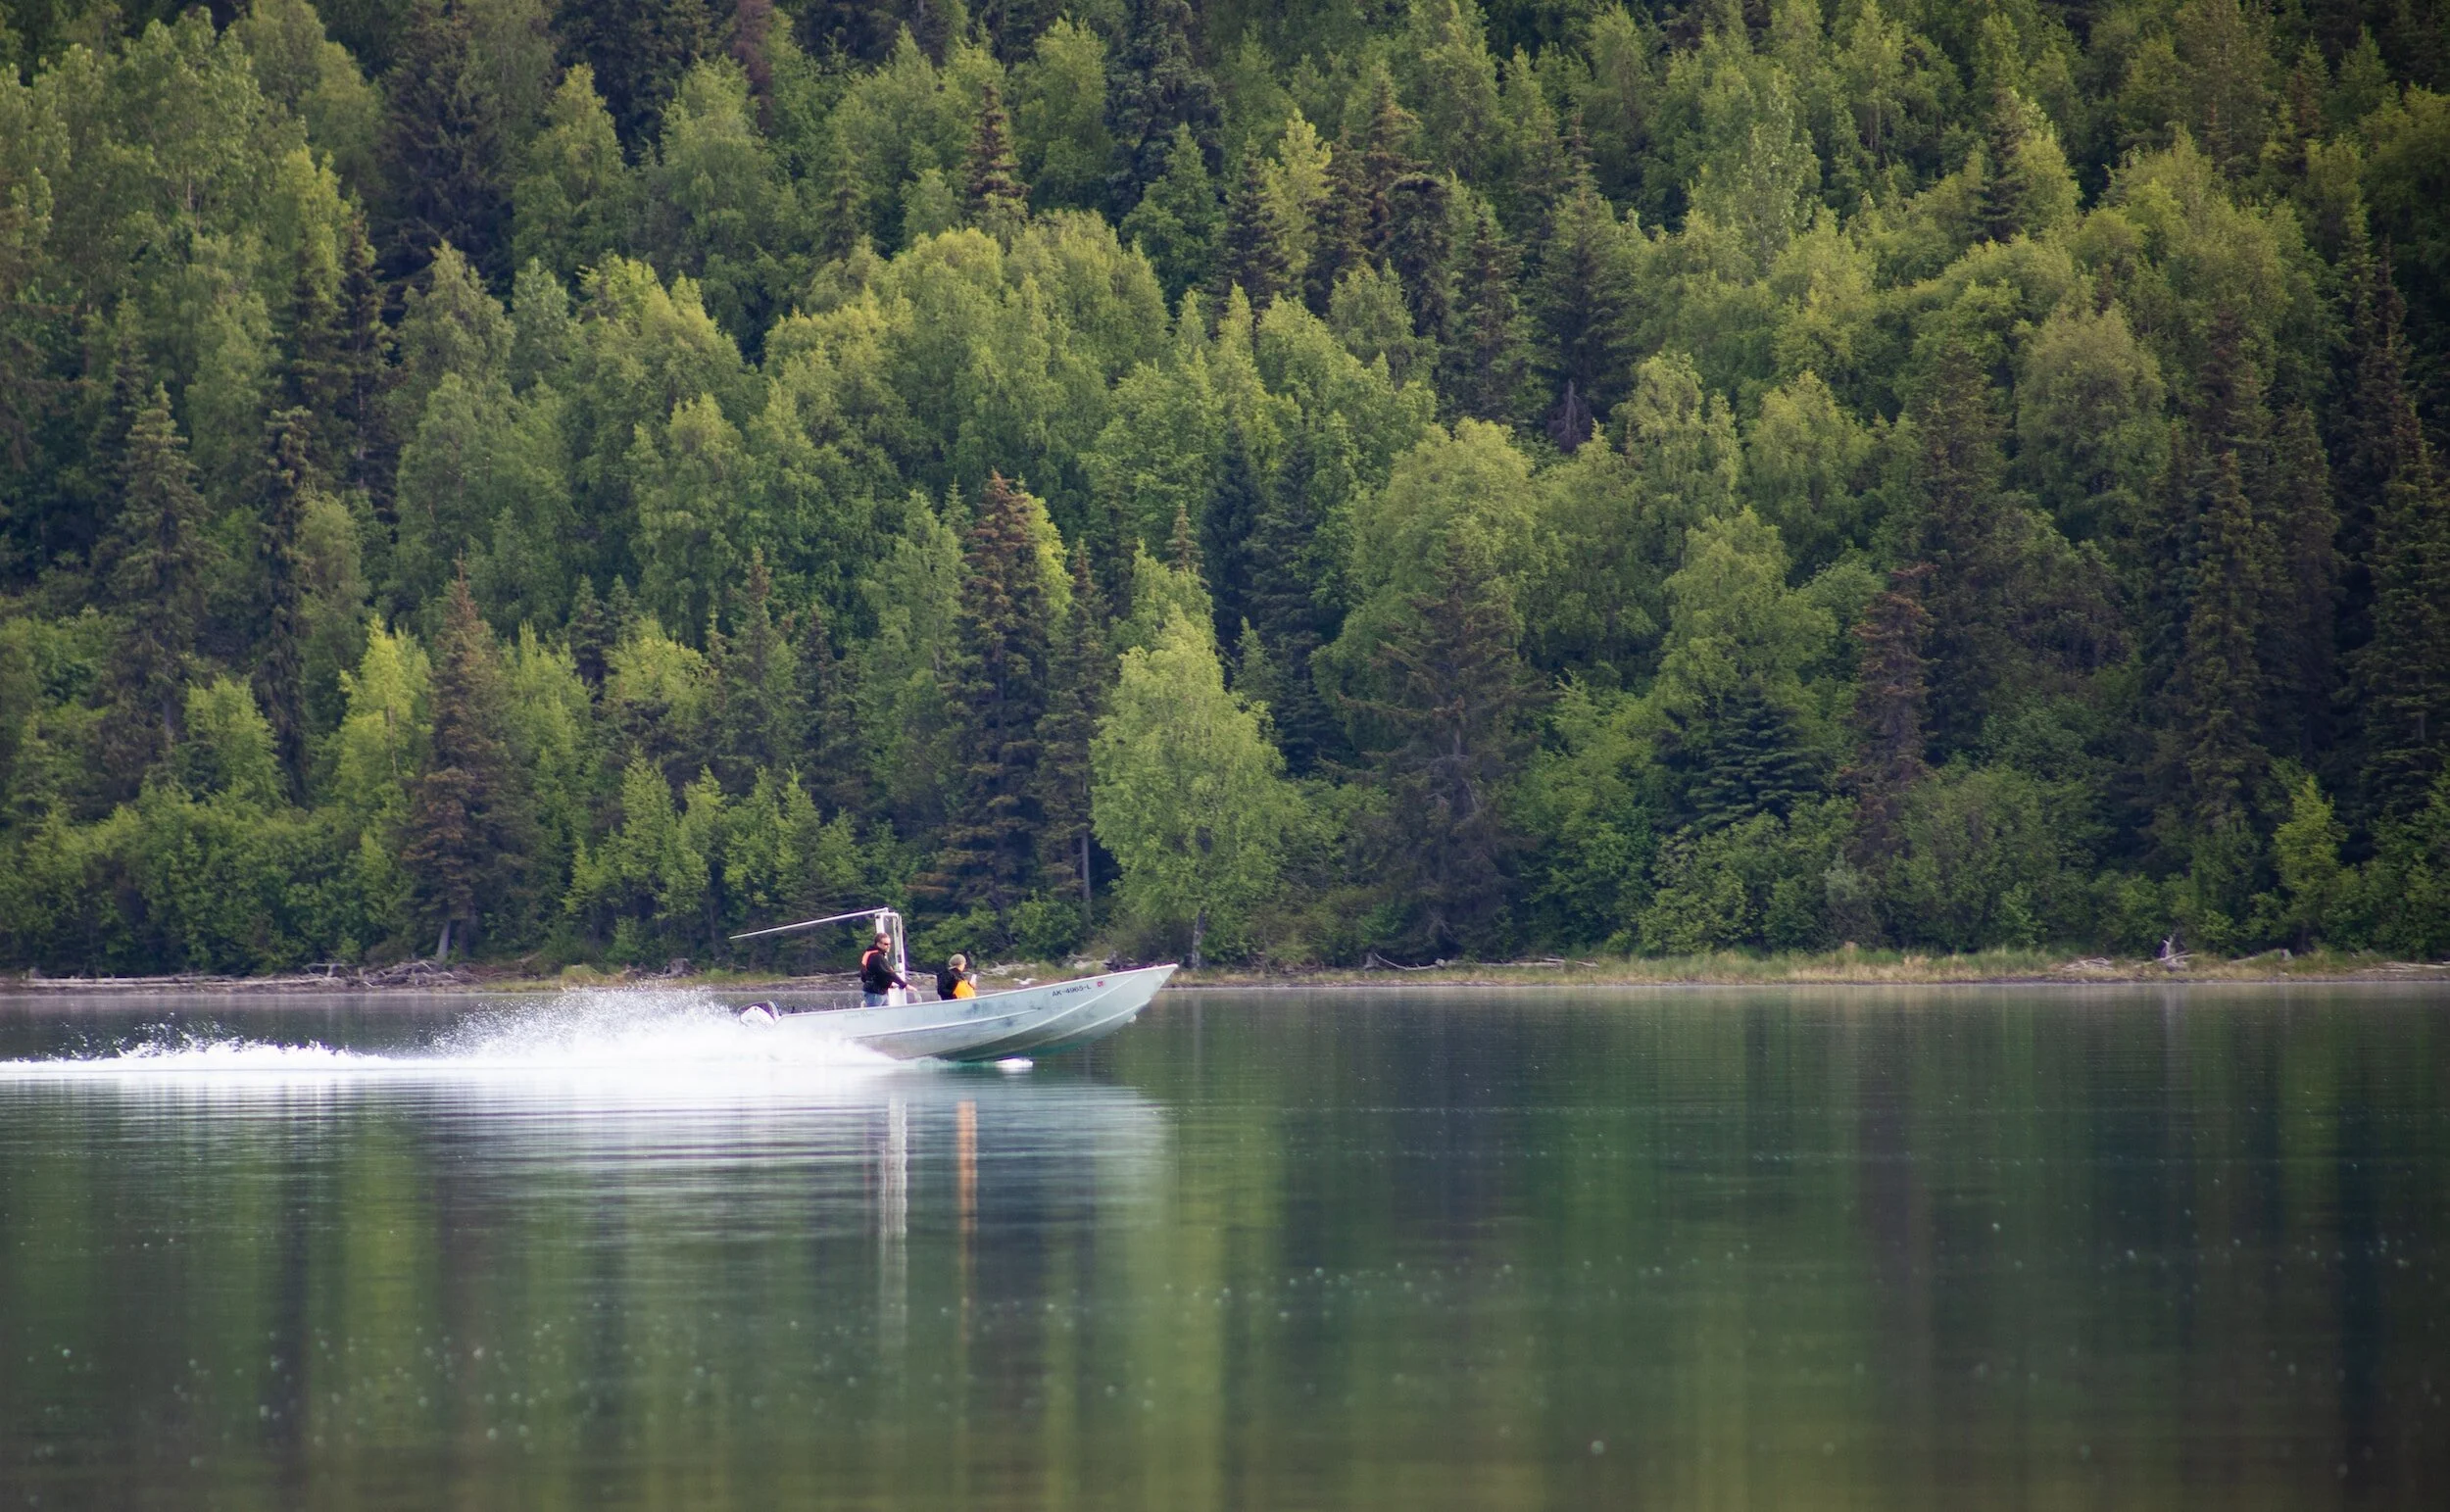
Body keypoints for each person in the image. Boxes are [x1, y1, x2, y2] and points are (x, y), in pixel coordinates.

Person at [858, 930, 906, 1005]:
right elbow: (888, 973)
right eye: (886, 944)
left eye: (889, 944)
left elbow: (880, 974)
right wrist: (904, 984)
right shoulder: (876, 957)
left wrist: (888, 985)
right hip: (874, 993)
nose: (888, 946)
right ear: (878, 944)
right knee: (875, 1015)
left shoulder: (877, 955)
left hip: (881, 992)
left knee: (886, 1014)